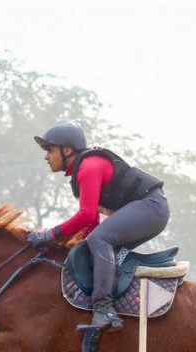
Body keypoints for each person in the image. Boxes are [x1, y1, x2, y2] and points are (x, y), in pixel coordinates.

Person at [28, 121, 170, 330]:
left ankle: (103, 308)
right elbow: (92, 222)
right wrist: (69, 244)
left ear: (67, 150)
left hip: (152, 207)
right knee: (94, 244)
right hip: (150, 210)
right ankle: (115, 303)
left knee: (99, 240)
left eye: (49, 150)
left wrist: (49, 235)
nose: (46, 156)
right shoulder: (81, 171)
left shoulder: (89, 166)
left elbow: (86, 215)